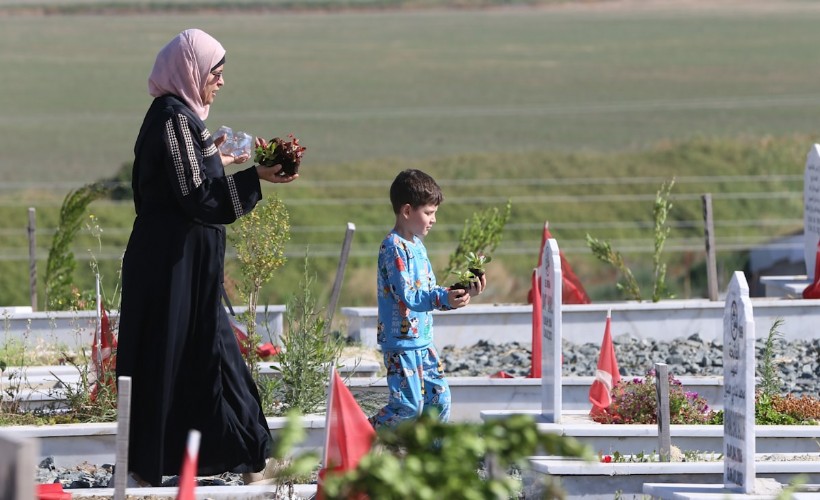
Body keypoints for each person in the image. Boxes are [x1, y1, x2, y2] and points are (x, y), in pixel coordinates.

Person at [116, 28, 297, 487]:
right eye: (215, 73)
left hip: (189, 269)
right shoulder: (173, 120)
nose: (220, 82)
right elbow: (196, 196)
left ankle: (252, 457)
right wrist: (254, 178)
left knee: (214, 355)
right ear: (191, 71)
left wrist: (235, 160)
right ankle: (153, 465)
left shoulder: (184, 121)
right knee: (174, 357)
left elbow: (191, 182)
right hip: (170, 269)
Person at [369, 169, 486, 429]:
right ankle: (358, 435)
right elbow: (409, 295)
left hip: (422, 339)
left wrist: (463, 292)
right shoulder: (393, 247)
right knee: (408, 407)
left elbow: (430, 290)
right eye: (429, 213)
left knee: (440, 399)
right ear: (407, 211)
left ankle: (432, 457)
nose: (433, 220)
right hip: (401, 344)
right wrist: (442, 298)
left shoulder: (417, 246)